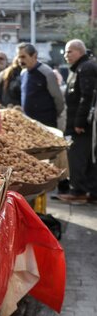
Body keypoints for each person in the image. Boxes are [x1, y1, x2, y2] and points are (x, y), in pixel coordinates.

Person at [57, 39, 97, 204]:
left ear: (80, 51)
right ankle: (87, 190)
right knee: (83, 157)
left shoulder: (86, 68)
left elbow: (87, 97)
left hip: (82, 125)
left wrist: (80, 122)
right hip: (78, 122)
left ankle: (79, 191)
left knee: (78, 156)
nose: (66, 55)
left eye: (69, 51)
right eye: (65, 52)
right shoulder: (79, 68)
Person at [17, 43, 64, 127]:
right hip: (28, 123)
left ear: (34, 56)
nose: (20, 61)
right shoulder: (23, 73)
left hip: (46, 123)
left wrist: (53, 115)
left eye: (23, 57)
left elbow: (58, 98)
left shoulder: (46, 72)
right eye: (19, 57)